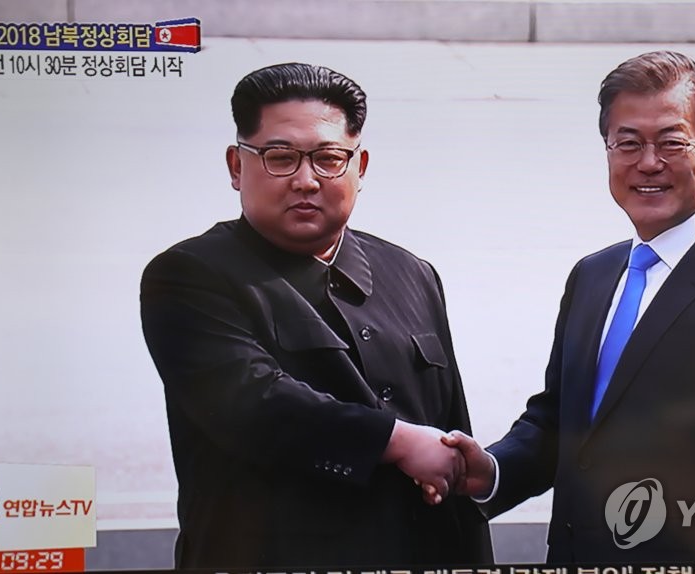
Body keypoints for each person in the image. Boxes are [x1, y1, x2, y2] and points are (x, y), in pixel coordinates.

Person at [444, 50, 695, 562]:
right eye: (629, 143)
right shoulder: (593, 276)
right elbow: (562, 422)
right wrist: (491, 469)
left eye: (671, 142)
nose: (648, 162)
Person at [140, 62, 492, 568]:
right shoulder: (189, 275)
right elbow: (253, 402)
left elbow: (452, 440)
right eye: (280, 158)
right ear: (236, 166)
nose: (305, 181)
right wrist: (396, 441)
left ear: (360, 167)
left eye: (328, 159)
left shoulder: (412, 273)